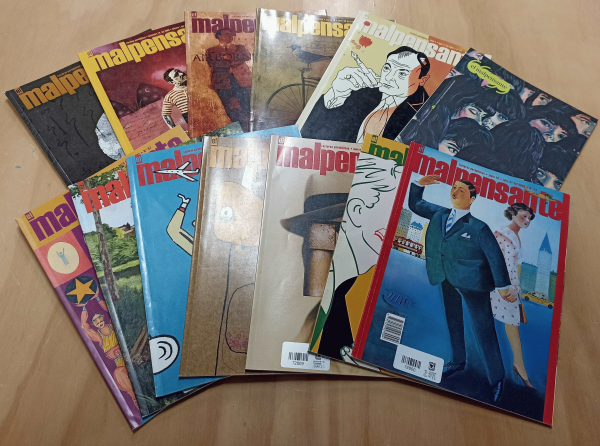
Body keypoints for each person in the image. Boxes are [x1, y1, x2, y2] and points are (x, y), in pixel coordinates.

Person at [409, 176, 515, 402]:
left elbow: (495, 257)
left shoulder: (479, 227)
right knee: (453, 321)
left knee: (484, 330)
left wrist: (503, 286)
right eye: (454, 188)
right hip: (445, 276)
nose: (455, 192)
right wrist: (419, 184)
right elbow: (415, 204)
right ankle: (457, 362)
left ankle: (497, 379)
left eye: (462, 191)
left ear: (472, 199)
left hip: (474, 284)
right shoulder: (439, 213)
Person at [316, 153, 402, 362]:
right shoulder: (335, 290)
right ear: (357, 211)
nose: (394, 229)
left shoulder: (354, 283)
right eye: (387, 215)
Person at [300, 46, 431, 143]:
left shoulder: (424, 113)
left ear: (422, 80)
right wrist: (337, 91)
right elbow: (310, 130)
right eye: (387, 68)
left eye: (402, 73)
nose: (388, 77)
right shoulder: (361, 92)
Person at [490, 203, 536, 389]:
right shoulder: (505, 234)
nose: (527, 221)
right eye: (524, 216)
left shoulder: (514, 235)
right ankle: (516, 367)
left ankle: (518, 365)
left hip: (506, 285)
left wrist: (516, 287)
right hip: (499, 285)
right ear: (513, 214)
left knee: (512, 324)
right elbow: (502, 263)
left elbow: (512, 266)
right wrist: (510, 287)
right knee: (509, 323)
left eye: (529, 218)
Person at [206, 28, 252, 132]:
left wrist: (228, 58)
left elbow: (247, 56)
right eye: (227, 34)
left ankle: (248, 127)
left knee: (246, 105)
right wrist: (234, 61)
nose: (230, 36)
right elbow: (213, 63)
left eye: (231, 34)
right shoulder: (211, 50)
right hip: (222, 82)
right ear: (219, 36)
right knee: (229, 108)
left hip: (241, 81)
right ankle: (240, 128)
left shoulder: (240, 48)